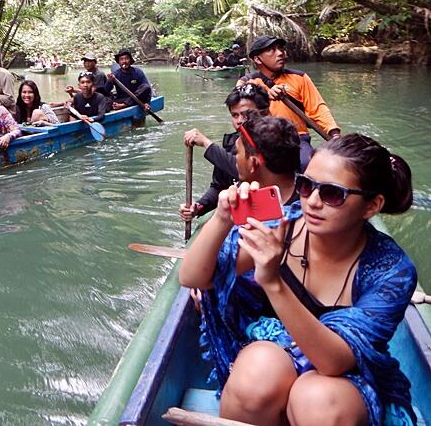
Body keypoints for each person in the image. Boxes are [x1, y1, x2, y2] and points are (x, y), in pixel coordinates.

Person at [179, 133, 417, 426]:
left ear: (371, 206)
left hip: (345, 378)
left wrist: (273, 282)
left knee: (317, 401)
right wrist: (222, 219)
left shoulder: (390, 269)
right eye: (306, 186)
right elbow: (192, 276)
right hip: (276, 355)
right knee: (254, 377)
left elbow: (334, 362)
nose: (313, 202)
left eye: (332, 194)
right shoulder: (283, 224)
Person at [240, 36, 340, 170]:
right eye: (271, 50)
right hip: (262, 140)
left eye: (281, 49)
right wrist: (265, 97)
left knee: (308, 165)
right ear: (258, 59)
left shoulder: (300, 78)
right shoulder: (246, 83)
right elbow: (242, 114)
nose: (280, 53)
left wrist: (334, 133)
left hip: (297, 139)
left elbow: (318, 109)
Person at [180, 84, 272, 219]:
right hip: (235, 215)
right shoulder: (232, 143)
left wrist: (207, 144)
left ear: (264, 113)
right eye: (235, 115)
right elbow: (219, 186)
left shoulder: (277, 142)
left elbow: (248, 173)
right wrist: (198, 207)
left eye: (246, 115)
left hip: (265, 215)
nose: (240, 121)